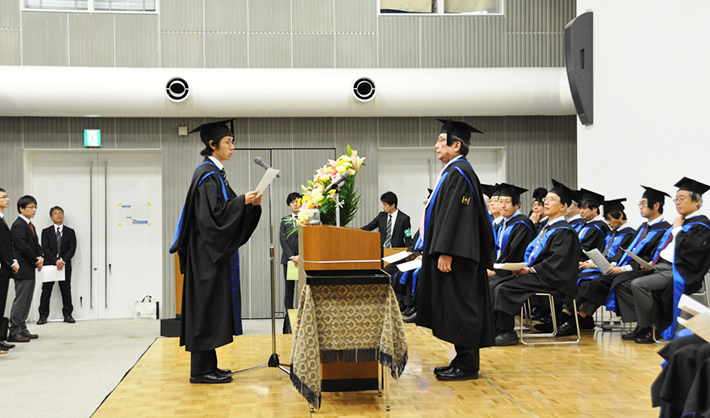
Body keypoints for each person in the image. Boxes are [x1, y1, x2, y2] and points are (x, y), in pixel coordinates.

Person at [170, 119, 262, 384]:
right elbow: (213, 219)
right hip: (205, 257)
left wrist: (249, 205)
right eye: (228, 142)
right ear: (212, 145)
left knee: (209, 310)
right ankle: (200, 371)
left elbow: (226, 209)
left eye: (233, 142)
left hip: (210, 255)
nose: (233, 147)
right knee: (204, 310)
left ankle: (210, 365)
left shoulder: (216, 174)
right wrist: (242, 202)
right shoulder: (207, 176)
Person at [415, 118, 495, 381]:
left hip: (458, 257)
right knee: (455, 308)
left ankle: (468, 365)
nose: (436, 146)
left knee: (463, 308)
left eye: (440, 140)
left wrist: (447, 251)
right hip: (453, 254)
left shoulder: (460, 173)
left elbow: (458, 216)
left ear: (456, 144)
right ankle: (461, 360)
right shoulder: (452, 171)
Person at [614, 177, 710, 343]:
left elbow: (690, 252)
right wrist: (651, 264)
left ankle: (655, 328)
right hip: (661, 267)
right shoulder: (681, 222)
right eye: (676, 199)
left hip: (679, 271)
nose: (677, 203)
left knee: (639, 285)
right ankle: (643, 325)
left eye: (682, 199)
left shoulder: (701, 225)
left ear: (696, 201)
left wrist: (678, 228)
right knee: (621, 283)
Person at [493, 180, 580, 346]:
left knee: (504, 288)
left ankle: (507, 333)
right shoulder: (548, 227)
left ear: (563, 206)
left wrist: (530, 270)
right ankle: (495, 328)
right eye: (545, 199)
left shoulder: (564, 231)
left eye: (551, 199)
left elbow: (557, 263)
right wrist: (523, 268)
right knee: (497, 283)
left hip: (554, 280)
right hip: (540, 275)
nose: (546, 202)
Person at [8, 195, 43, 343]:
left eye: (35, 207)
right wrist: (35, 259)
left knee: (27, 299)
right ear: (21, 209)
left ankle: (22, 327)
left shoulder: (30, 225)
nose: (34, 210)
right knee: (21, 300)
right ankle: (14, 330)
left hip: (30, 267)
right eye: (30, 207)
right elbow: (23, 247)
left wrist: (41, 255)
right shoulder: (18, 225)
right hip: (23, 267)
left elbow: (36, 244)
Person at [38, 206, 77, 324]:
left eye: (60, 213)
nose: (59, 215)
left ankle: (68, 314)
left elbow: (72, 248)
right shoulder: (46, 231)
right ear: (51, 217)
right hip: (50, 265)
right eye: (55, 213)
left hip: (64, 265)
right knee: (46, 290)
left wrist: (63, 261)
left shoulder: (70, 232)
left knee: (66, 290)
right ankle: (43, 316)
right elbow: (45, 248)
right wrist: (55, 260)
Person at [0, 188, 19, 352]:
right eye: (3, 197)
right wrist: (11, 261)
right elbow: (2, 246)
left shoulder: (2, 218)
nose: (7, 199)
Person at [279, 192, 300, 334]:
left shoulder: (307, 219)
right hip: (290, 261)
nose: (296, 204)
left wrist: (301, 256)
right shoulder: (285, 220)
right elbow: (282, 240)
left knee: (304, 289)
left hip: (303, 260)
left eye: (298, 201)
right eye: (293, 202)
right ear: (289, 204)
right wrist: (292, 257)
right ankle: (288, 321)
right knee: (289, 290)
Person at [576, 188, 610, 261]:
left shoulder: (599, 227)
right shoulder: (584, 224)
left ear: (595, 209)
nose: (581, 211)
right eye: (580, 208)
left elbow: (586, 248)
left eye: (584, 208)